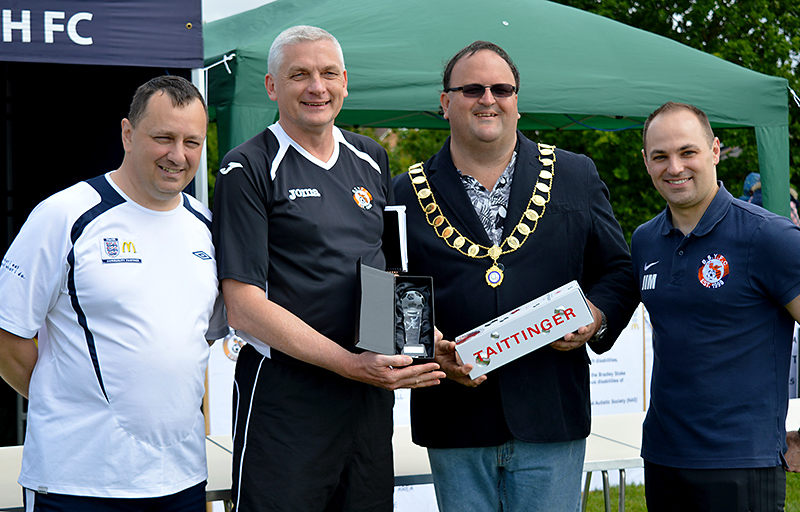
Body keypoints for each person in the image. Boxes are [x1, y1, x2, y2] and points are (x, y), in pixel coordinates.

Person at [392, 41, 638, 512]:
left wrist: (596, 315)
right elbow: (393, 289)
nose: (488, 98)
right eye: (472, 89)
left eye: (501, 88)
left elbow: (617, 271)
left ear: (517, 102)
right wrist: (428, 350)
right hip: (455, 419)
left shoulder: (574, 174)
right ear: (445, 103)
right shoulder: (405, 190)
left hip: (552, 414)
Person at [211, 25, 444, 512]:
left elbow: (387, 274)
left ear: (344, 81)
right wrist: (350, 364)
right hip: (288, 398)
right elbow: (245, 307)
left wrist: (424, 340)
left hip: (367, 398)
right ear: (272, 86)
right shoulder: (247, 167)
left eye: (328, 73)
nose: (317, 87)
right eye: (299, 75)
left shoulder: (371, 158)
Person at [0, 75, 227, 510]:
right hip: (78, 483)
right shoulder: (64, 215)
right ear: (127, 133)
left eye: (192, 142)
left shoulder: (208, 227)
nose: (177, 155)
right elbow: (7, 336)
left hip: (181, 480)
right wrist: (62, 400)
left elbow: (195, 345)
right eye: (163, 137)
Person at [632, 101, 800, 511]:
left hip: (741, 463)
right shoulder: (644, 240)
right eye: (661, 156)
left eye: (687, 152)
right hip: (663, 457)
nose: (674, 167)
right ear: (646, 162)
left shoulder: (769, 237)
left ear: (714, 151)